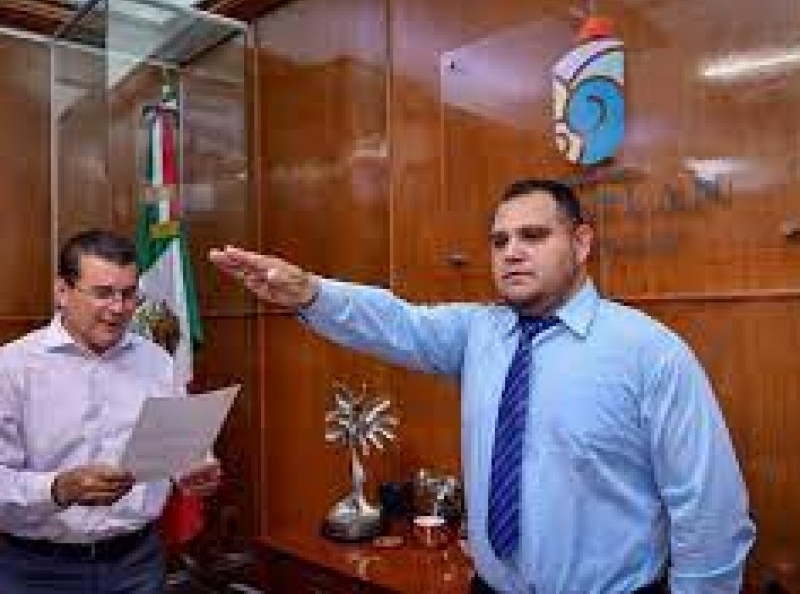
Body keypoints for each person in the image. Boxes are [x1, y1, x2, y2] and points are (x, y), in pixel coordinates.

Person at [210, 179, 755, 593]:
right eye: (499, 241)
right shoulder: (478, 332)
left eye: (533, 236)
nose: (511, 251)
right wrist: (310, 292)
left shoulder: (650, 353)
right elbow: (398, 322)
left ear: (581, 242)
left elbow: (711, 513)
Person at [0, 229, 220, 594]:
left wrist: (197, 467)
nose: (118, 308)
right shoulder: (11, 368)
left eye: (129, 294)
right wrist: (58, 488)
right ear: (62, 292)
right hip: (35, 570)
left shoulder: (157, 361)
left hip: (137, 562)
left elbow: (180, 448)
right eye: (103, 293)